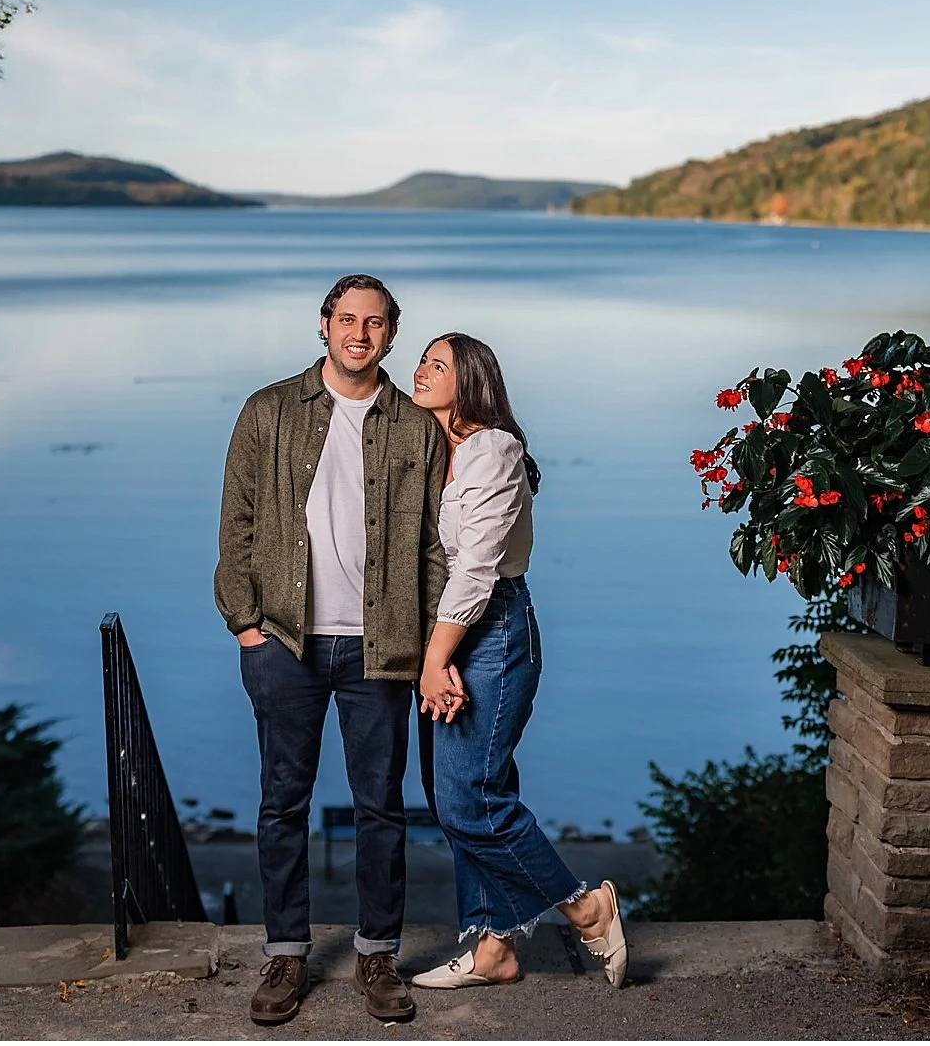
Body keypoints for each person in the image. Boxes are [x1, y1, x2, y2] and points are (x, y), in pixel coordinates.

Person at [214, 274, 449, 1027]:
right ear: (322, 325)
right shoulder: (268, 410)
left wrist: (430, 637)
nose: (360, 333)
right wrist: (246, 626)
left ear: (390, 333)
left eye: (375, 322)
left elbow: (435, 547)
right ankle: (286, 952)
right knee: (282, 801)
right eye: (347, 318)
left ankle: (376, 954)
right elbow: (236, 525)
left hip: (380, 647)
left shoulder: (415, 425)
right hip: (285, 639)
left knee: (381, 807)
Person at [405, 332, 630, 991]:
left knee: (466, 799)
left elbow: (475, 569)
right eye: (420, 359)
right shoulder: (441, 449)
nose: (419, 369)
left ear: (469, 380)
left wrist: (434, 657)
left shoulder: (493, 449)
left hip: (491, 633)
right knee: (467, 795)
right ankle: (492, 947)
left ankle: (585, 906)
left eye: (436, 364)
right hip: (454, 630)